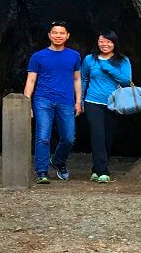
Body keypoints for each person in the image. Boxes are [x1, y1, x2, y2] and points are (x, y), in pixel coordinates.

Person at [23, 21, 83, 183]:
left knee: (69, 137)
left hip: (66, 100)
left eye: (61, 33)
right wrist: (26, 103)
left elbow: (77, 79)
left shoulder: (74, 56)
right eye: (55, 33)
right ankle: (41, 171)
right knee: (43, 136)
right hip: (43, 99)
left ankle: (57, 161)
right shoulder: (38, 56)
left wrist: (79, 101)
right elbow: (31, 80)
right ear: (49, 35)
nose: (58, 36)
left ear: (67, 36)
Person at [80, 30, 132, 183]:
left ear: (114, 43)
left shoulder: (123, 60)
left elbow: (126, 81)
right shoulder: (89, 59)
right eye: (102, 41)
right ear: (97, 42)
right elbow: (83, 79)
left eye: (108, 41)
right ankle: (103, 171)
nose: (105, 44)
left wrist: (109, 68)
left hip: (114, 103)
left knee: (108, 136)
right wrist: (80, 100)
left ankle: (97, 168)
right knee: (98, 135)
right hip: (93, 102)